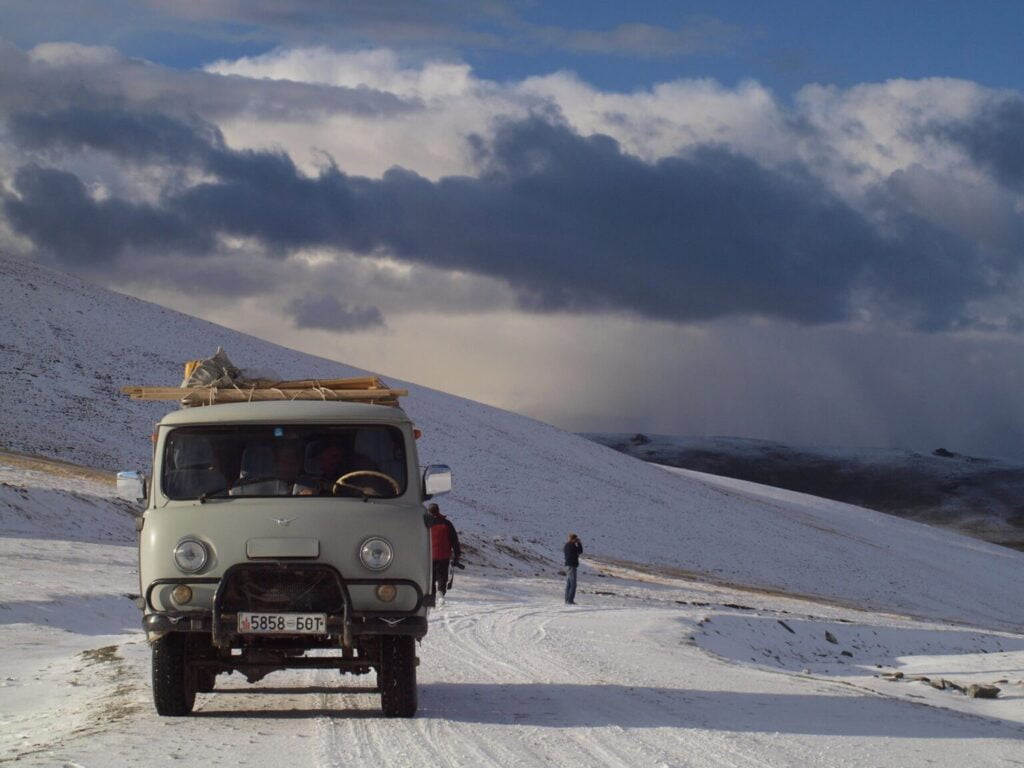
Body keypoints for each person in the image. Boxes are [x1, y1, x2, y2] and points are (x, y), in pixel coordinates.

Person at [429, 503, 462, 603]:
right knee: (442, 575)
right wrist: (457, 554)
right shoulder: (447, 523)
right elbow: (454, 540)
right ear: (438, 511)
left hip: (429, 556)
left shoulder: (425, 524)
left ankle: (431, 595)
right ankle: (440, 592)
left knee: (431, 576)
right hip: (443, 555)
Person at [563, 533, 583, 605]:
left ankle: (567, 599)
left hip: (568, 565)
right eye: (575, 539)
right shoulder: (572, 545)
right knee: (573, 584)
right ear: (573, 539)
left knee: (569, 583)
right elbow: (580, 551)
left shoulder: (566, 545)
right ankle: (570, 600)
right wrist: (579, 544)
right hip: (572, 566)